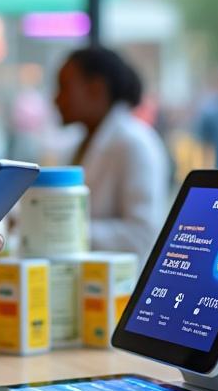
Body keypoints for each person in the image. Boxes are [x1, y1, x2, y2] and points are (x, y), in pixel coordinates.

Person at [54, 46, 170, 260]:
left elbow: (141, 235)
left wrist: (56, 230)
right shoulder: (77, 144)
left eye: (64, 88)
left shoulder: (135, 143)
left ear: (96, 89)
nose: (56, 99)